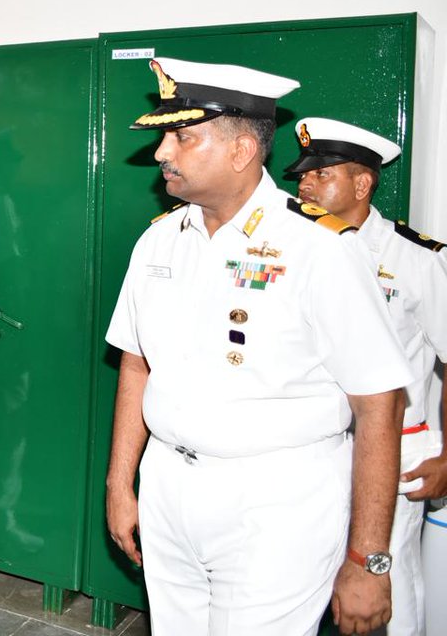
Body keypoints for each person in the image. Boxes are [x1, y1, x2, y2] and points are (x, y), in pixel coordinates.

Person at [104, 56, 412, 635]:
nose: (162, 152)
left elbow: (380, 403)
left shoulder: (320, 246)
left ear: (242, 150)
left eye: (182, 136)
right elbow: (137, 363)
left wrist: (368, 560)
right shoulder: (158, 241)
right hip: (169, 484)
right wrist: (122, 484)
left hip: (277, 502)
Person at [288, 117, 447, 636]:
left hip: (397, 453)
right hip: (315, 450)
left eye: (322, 174)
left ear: (362, 184)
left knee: (388, 582)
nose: (305, 185)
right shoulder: (296, 248)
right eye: (302, 177)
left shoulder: (415, 259)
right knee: (308, 579)